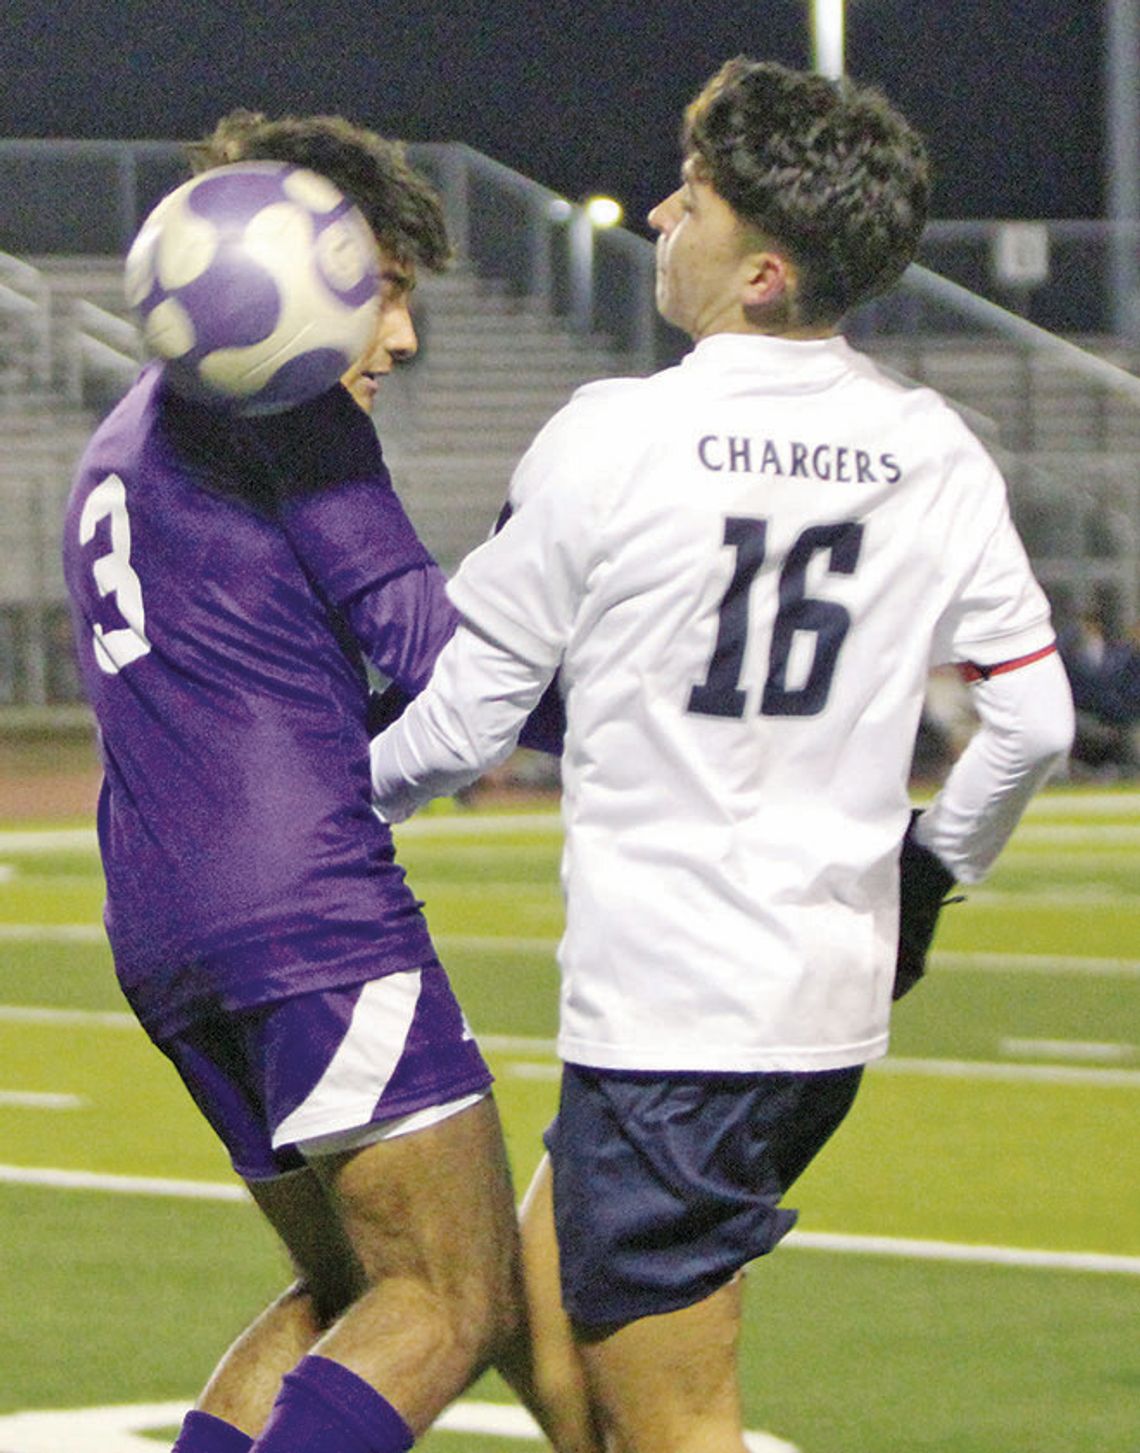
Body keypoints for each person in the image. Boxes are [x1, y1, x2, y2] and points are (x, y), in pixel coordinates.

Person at [369, 58, 1076, 1453]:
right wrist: (932, 874)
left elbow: (461, 722)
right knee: (539, 1327)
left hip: (676, 1013)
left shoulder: (617, 435)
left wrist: (312, 811)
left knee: (681, 1418)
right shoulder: (930, 447)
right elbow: (1037, 721)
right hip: (814, 997)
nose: (653, 217)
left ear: (758, 269)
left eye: (687, 200)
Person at [62, 111, 525, 1453]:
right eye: (384, 293)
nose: (400, 339)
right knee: (451, 1295)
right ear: (295, 260)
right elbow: (433, 667)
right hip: (305, 912)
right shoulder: (292, 405)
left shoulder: (126, 435)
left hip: (159, 931)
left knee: (352, 1289)